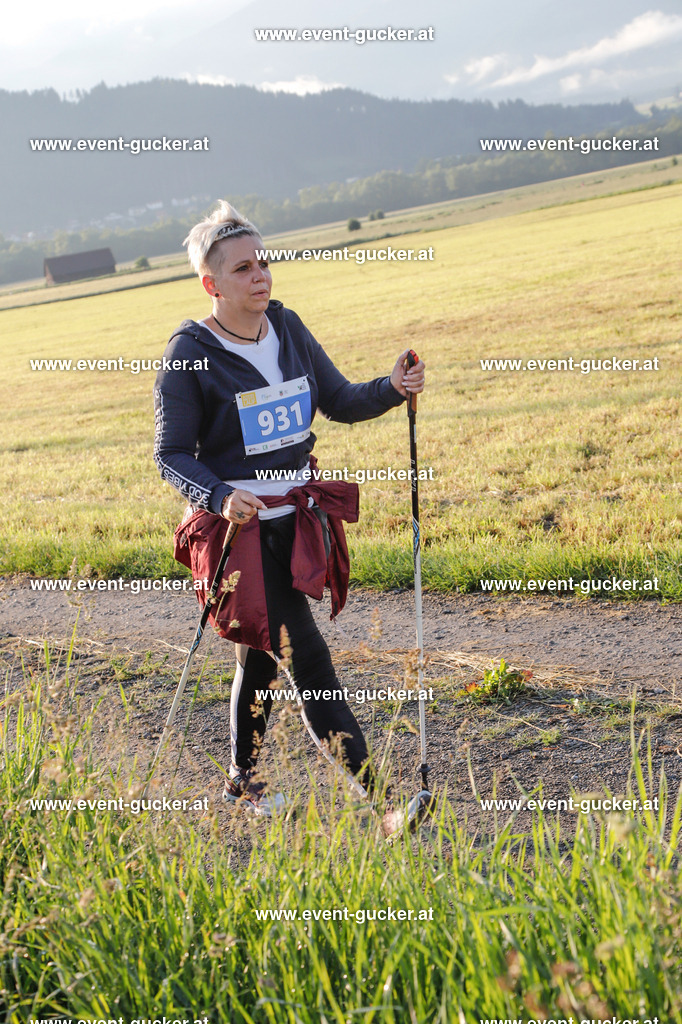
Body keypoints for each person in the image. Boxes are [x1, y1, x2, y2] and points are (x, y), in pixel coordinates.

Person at [153, 200, 426, 836]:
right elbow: (170, 454)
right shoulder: (188, 352)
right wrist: (220, 494)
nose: (261, 275)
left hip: (296, 521)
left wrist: (390, 387)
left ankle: (241, 783)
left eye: (264, 262)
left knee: (261, 659)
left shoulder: (287, 325)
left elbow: (336, 400)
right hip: (239, 532)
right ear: (210, 283)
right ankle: (383, 806)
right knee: (307, 657)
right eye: (243, 268)